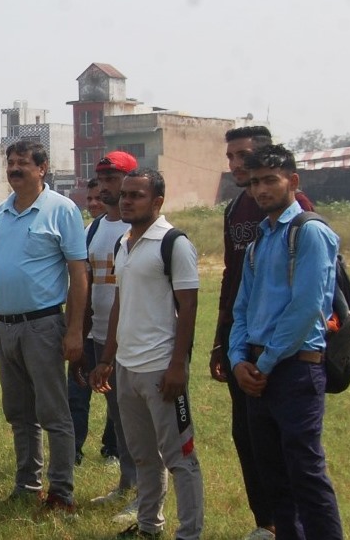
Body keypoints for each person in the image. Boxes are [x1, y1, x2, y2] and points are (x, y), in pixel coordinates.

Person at [228, 144, 343, 540]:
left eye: (270, 181)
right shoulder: (260, 240)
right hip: (257, 372)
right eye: (254, 182)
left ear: (292, 181)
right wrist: (238, 358)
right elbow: (241, 308)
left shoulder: (309, 233)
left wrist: (265, 363)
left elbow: (307, 308)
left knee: (306, 473)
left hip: (295, 368)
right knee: (274, 475)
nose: (261, 190)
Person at [0, 140, 87, 513]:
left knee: (53, 413)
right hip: (6, 327)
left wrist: (73, 329)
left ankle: (61, 492)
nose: (15, 168)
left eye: (23, 162)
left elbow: (78, 272)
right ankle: (26, 485)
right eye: (11, 162)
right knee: (19, 412)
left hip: (43, 325)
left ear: (43, 168)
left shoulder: (62, 210)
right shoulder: (2, 213)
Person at [91, 168, 204, 540]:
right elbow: (122, 302)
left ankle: (188, 532)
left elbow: (187, 308)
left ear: (157, 202)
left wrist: (178, 366)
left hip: (161, 370)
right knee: (142, 456)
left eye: (136, 195)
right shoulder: (124, 242)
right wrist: (107, 358)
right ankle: (148, 525)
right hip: (126, 368)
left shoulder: (174, 243)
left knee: (180, 458)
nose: (126, 200)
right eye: (124, 194)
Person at [213, 126, 314, 540]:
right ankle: (266, 523)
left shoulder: (297, 213)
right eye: (232, 158)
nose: (237, 165)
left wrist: (272, 351)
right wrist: (224, 342)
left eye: (244, 156)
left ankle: (297, 524)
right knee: (248, 437)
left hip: (286, 347)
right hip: (242, 340)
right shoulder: (236, 207)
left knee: (291, 448)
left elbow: (308, 289)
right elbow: (230, 276)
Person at [74, 153, 139, 524]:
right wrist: (81, 335)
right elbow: (84, 286)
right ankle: (127, 482)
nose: (106, 186)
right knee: (117, 415)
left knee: (136, 419)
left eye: (113, 178)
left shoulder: (141, 229)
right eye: (102, 178)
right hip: (100, 337)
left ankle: (147, 495)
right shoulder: (94, 230)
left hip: (134, 340)